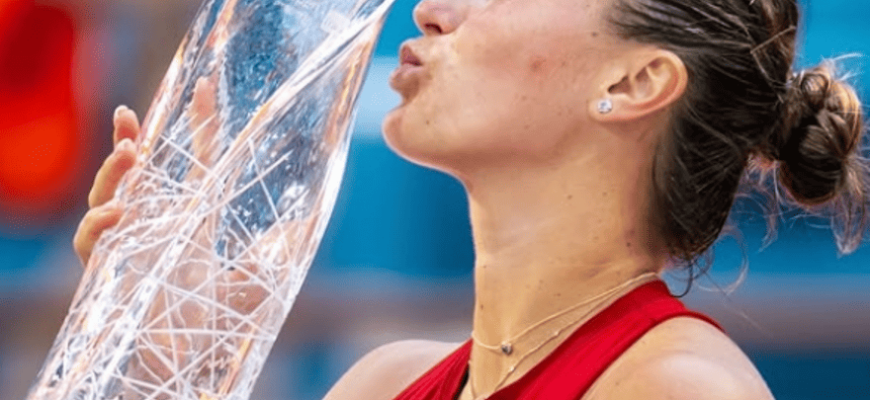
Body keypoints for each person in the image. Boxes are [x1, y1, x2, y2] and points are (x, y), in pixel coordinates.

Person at [74, 0, 866, 399]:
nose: (431, 9)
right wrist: (170, 367)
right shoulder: (381, 383)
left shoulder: (681, 392)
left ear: (634, 82)